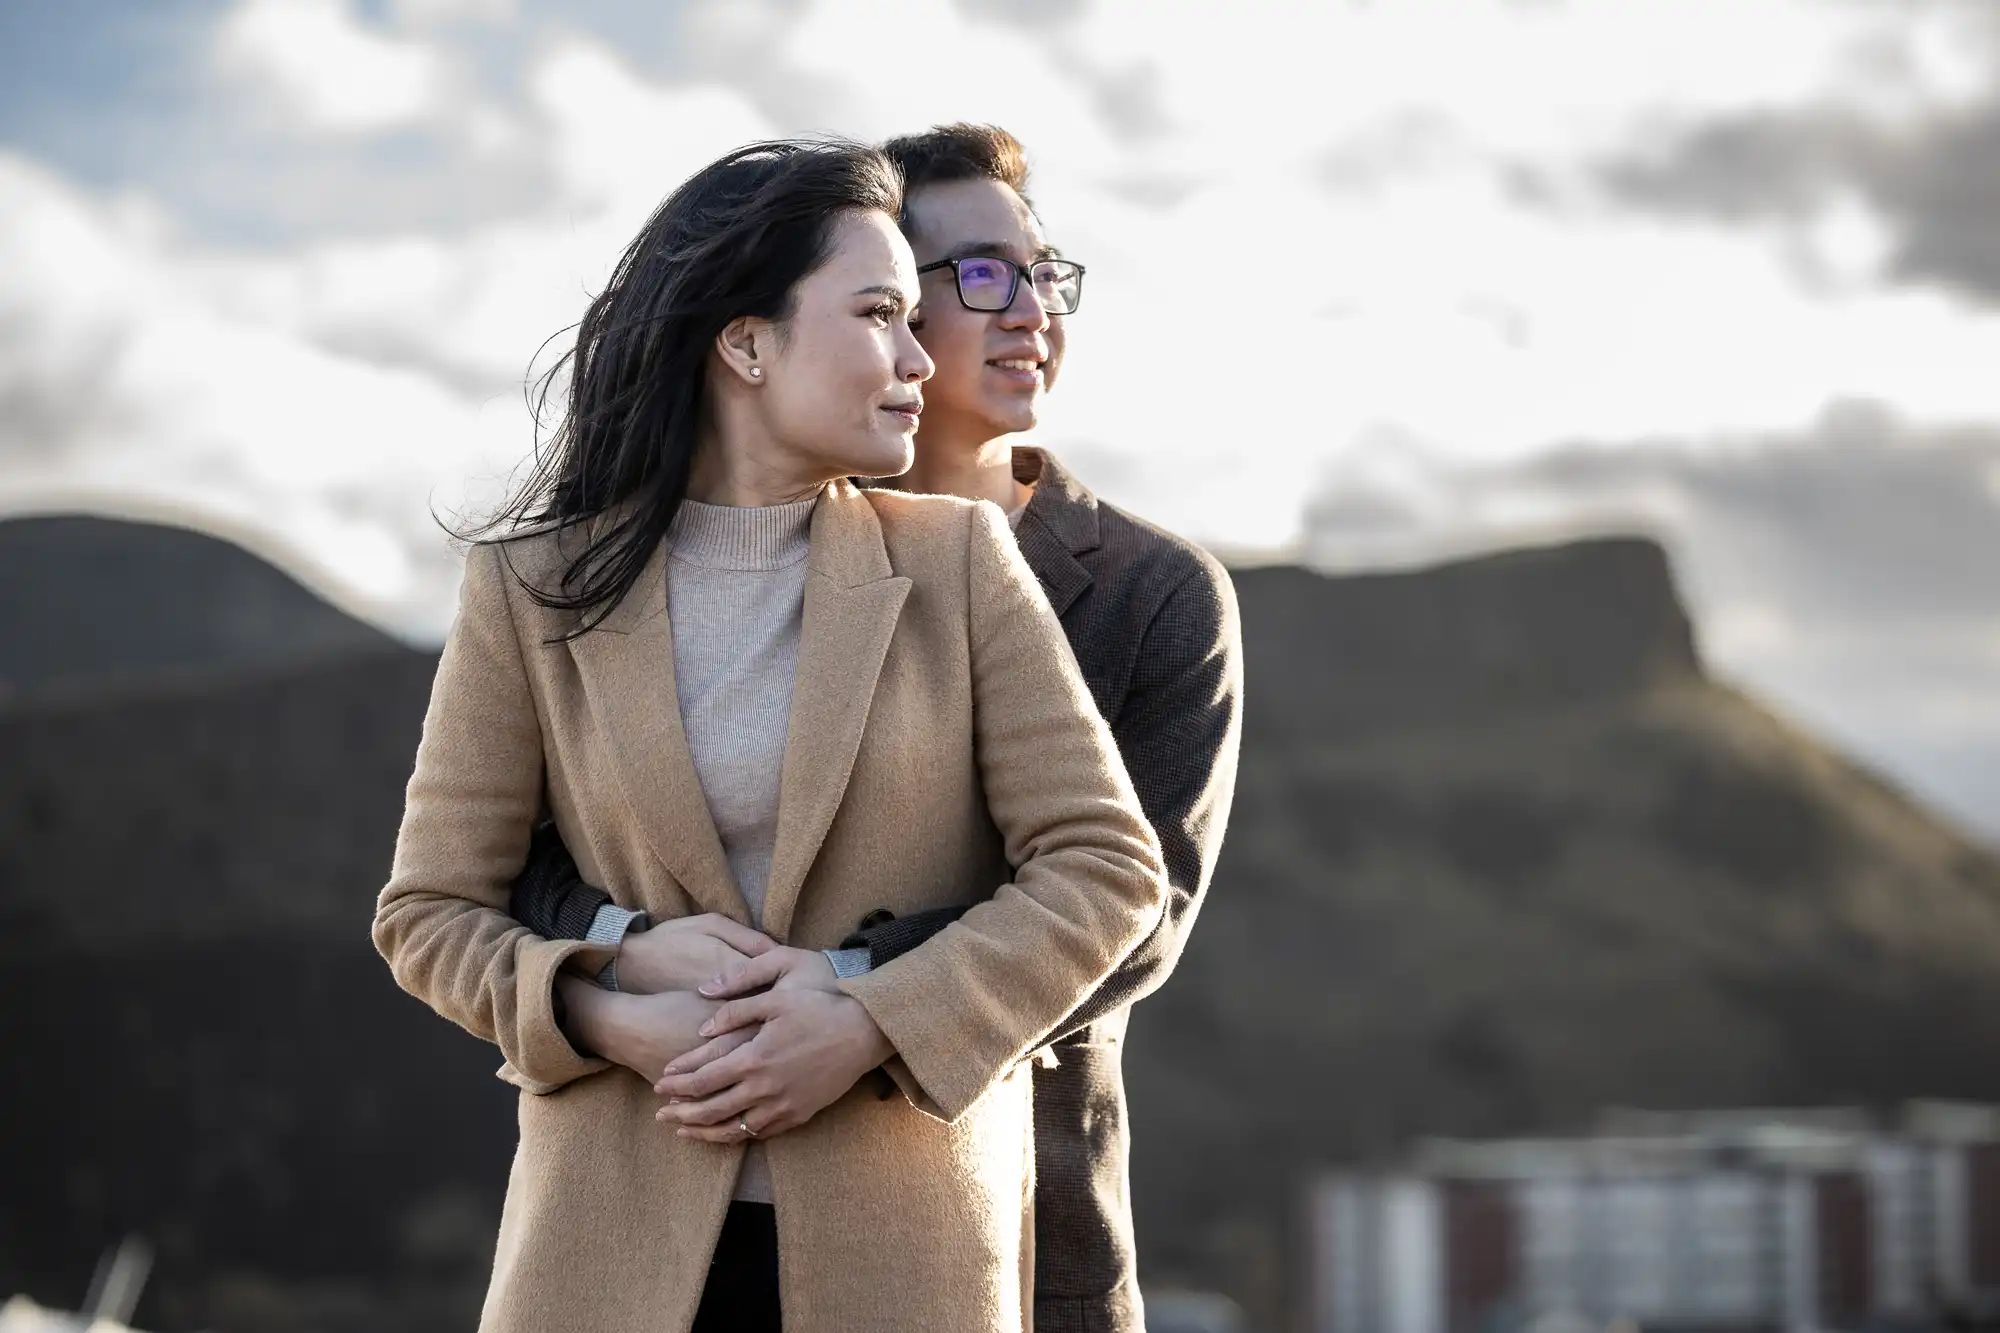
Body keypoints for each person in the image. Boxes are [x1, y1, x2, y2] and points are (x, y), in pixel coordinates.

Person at [371, 139, 1167, 1333]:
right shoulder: (529, 588)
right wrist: (606, 1008)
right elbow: (427, 911)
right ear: (745, 344)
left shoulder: (956, 563)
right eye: (878, 315)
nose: (915, 357)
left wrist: (863, 1018)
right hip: (604, 1260)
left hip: (902, 1259)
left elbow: (1108, 875)